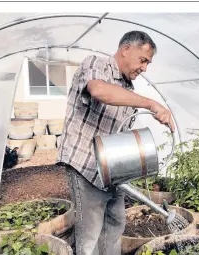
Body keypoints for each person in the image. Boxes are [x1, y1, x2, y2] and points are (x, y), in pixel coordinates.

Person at [57, 30, 175, 255]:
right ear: (126, 50)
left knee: (115, 224)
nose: (145, 68)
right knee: (89, 234)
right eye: (143, 60)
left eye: (148, 64)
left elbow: (121, 135)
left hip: (113, 172)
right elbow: (99, 90)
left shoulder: (128, 89)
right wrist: (151, 104)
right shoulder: (96, 64)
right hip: (87, 166)